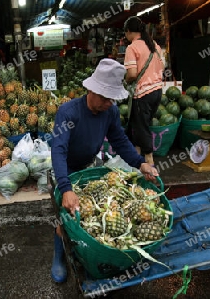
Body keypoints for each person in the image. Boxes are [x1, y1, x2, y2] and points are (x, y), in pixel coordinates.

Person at [50, 58, 158, 283]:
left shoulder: (110, 112)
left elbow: (119, 140)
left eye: (112, 98)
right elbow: (58, 151)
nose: (110, 102)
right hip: (66, 170)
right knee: (65, 218)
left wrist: (140, 163)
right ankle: (59, 256)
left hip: (89, 166)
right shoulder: (68, 113)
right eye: (106, 97)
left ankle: (87, 254)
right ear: (91, 89)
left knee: (89, 218)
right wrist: (66, 187)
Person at [123, 16, 164, 166]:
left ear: (128, 32)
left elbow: (132, 74)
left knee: (142, 126)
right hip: (157, 91)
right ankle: (136, 155)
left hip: (143, 94)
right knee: (139, 123)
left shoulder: (132, 48)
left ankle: (149, 162)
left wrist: (125, 81)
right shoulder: (155, 46)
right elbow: (162, 67)